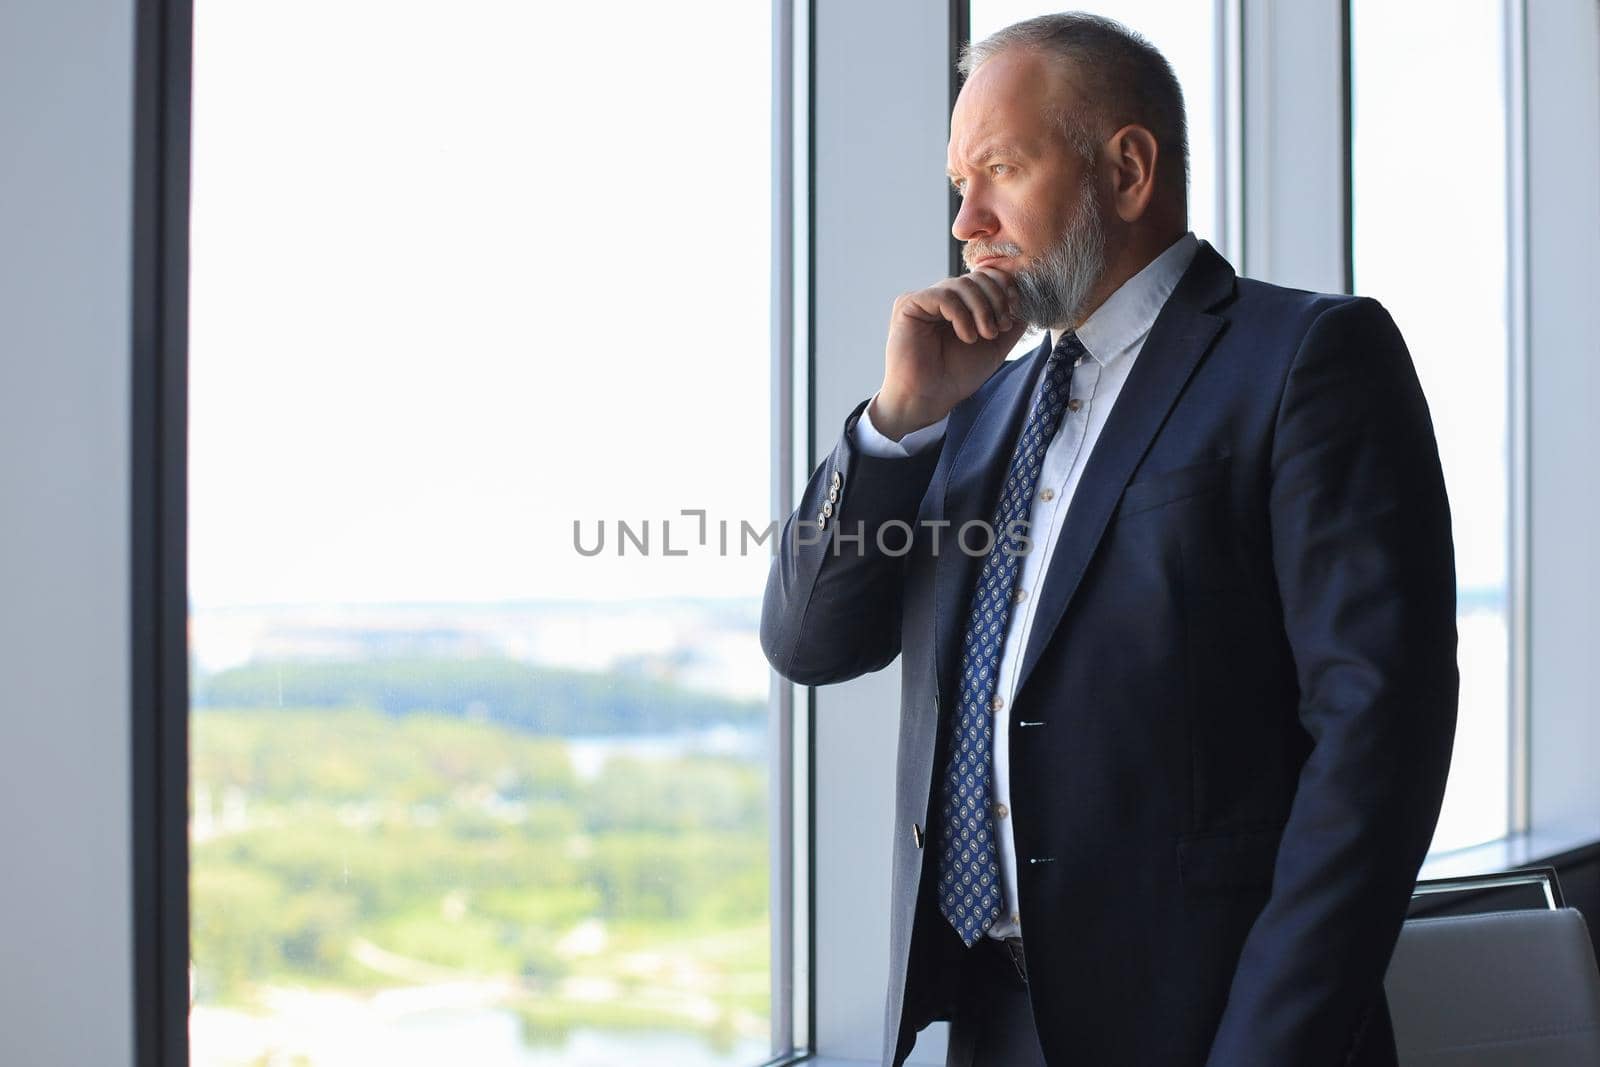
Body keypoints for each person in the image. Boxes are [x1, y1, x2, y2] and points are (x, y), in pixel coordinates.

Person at [760, 11, 1460, 1067]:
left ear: (1127, 168)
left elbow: (1375, 744)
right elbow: (810, 641)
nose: (966, 222)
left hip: (1214, 1027)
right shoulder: (977, 407)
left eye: (997, 169)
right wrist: (896, 427)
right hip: (991, 1025)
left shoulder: (1306, 357)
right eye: (959, 184)